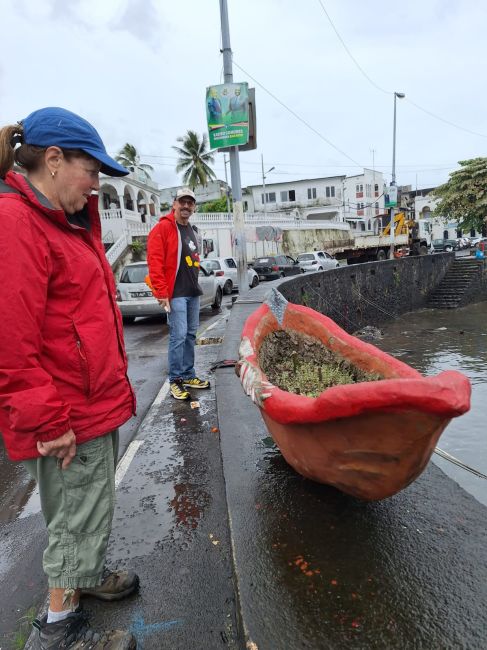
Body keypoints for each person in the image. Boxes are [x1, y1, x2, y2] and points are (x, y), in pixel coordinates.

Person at [0, 107, 138, 649]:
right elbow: (10, 344)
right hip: (67, 415)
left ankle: (86, 576)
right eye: (92, 171)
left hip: (92, 403)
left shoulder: (65, 220)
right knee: (74, 518)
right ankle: (58, 632)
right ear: (53, 161)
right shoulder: (16, 224)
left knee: (90, 505)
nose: (96, 185)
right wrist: (49, 421)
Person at [147, 188, 211, 400]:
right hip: (175, 293)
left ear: (194, 207)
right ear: (174, 203)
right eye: (182, 202)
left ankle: (188, 374)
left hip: (192, 291)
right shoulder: (163, 228)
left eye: (190, 203)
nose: (186, 206)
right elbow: (154, 262)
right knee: (178, 335)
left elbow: (192, 258)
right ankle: (175, 380)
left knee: (191, 335)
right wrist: (161, 292)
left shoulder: (191, 229)